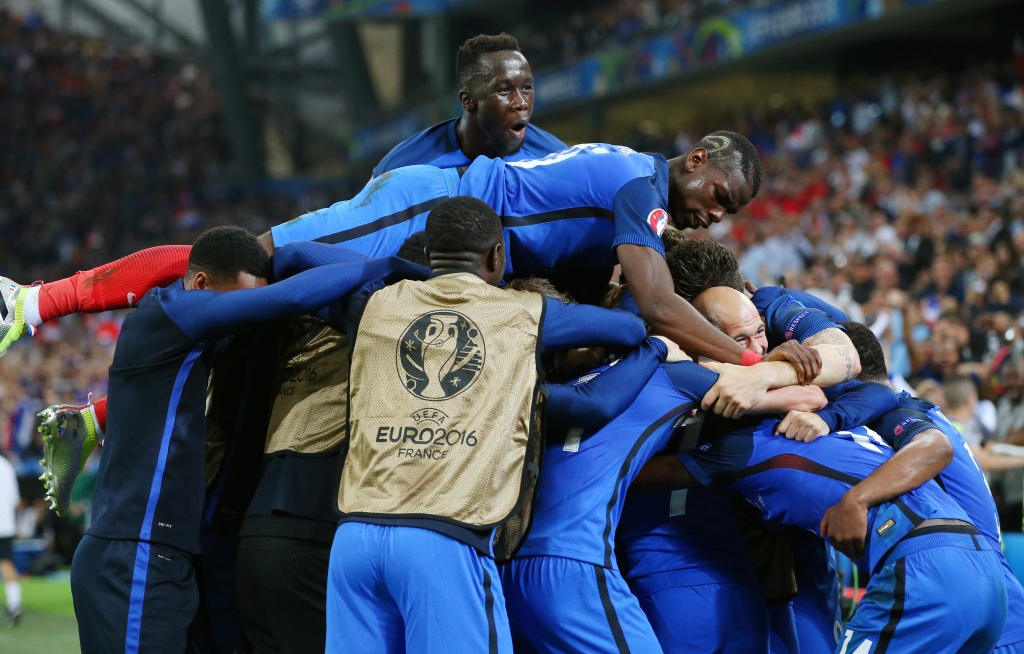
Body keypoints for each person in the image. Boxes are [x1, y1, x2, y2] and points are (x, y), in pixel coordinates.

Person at [0, 132, 770, 380]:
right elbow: (661, 305)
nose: (715, 217)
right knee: (252, 262)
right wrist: (745, 359)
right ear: (697, 157)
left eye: (728, 214)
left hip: (455, 237)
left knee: (290, 321)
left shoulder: (634, 187)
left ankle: (104, 412)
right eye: (720, 196)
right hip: (428, 204)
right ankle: (37, 301)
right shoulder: (642, 188)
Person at [68, 226, 425, 653]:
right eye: (238, 303)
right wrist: (392, 267)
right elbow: (288, 297)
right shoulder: (168, 311)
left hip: (163, 554)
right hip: (135, 552)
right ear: (200, 284)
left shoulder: (190, 344)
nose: (242, 322)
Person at [325, 196, 650, 652]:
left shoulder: (375, 305)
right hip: (443, 538)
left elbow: (302, 257)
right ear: (497, 256)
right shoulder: (522, 313)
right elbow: (629, 331)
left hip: (353, 541)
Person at [500, 287, 827, 652]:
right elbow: (810, 396)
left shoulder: (549, 390)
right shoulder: (674, 375)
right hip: (578, 562)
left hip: (508, 564)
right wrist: (744, 370)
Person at [637, 408, 1009, 653]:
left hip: (925, 568)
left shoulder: (739, 447)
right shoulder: (850, 424)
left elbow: (646, 474)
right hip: (986, 572)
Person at [822, 321, 1024, 653]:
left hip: (968, 602)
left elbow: (936, 449)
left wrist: (856, 501)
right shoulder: (915, 409)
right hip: (993, 599)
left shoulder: (895, 413)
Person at [372, 32, 566, 177]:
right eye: (504, 90)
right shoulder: (400, 167)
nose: (521, 103)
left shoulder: (555, 159)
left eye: (526, 88)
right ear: (467, 100)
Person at [0, 449, 21, 626]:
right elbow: (15, 500)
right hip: (5, 524)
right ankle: (14, 604)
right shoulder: (6, 466)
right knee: (6, 563)